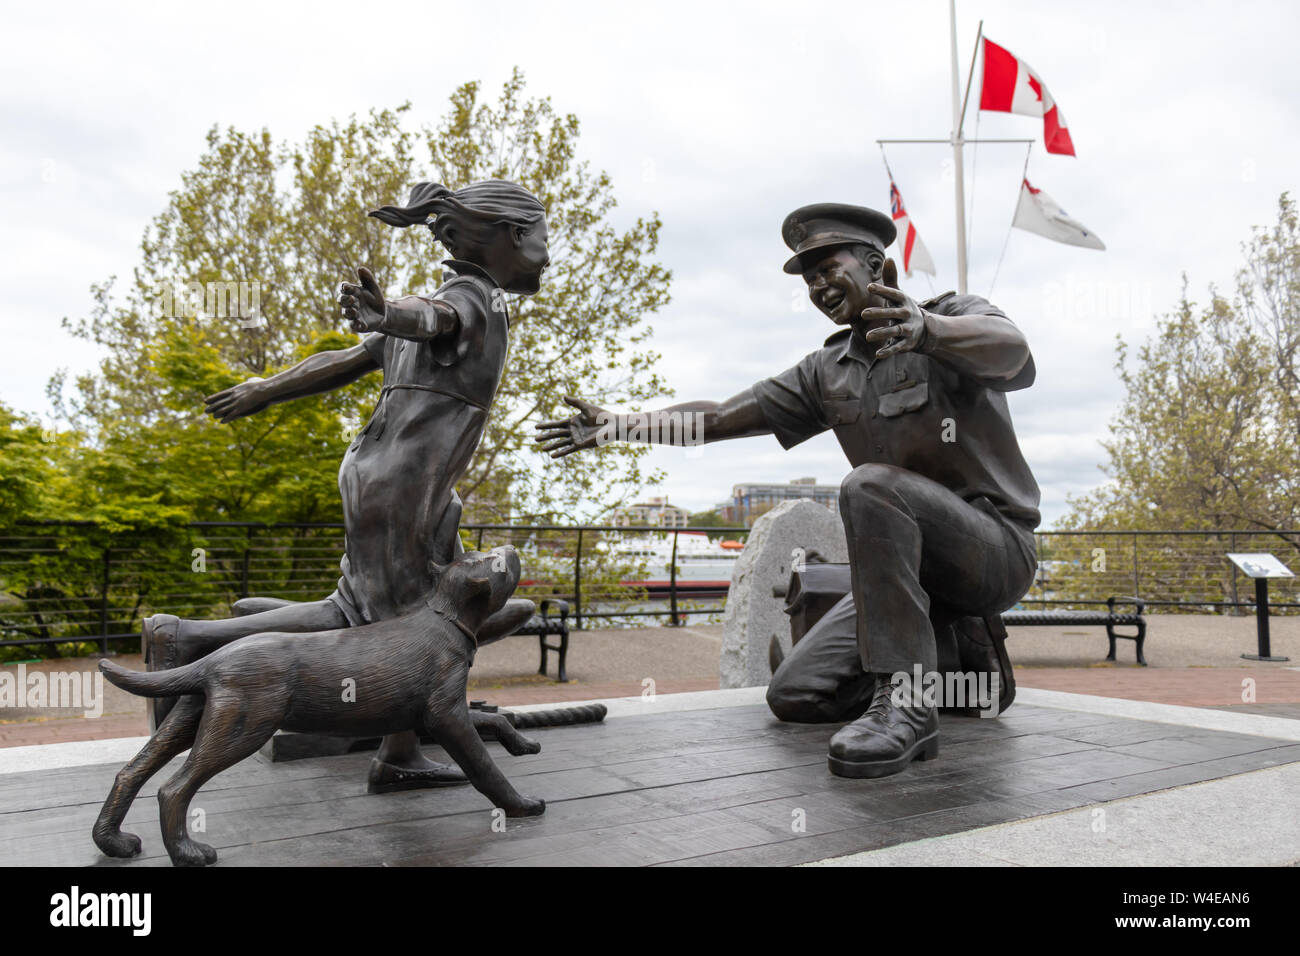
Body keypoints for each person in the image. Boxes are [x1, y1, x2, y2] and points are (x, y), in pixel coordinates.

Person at [534, 203, 1040, 779]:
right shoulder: (826, 370)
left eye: (830, 268)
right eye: (809, 278)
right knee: (796, 696)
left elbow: (1014, 354)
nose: (819, 285)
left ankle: (905, 706)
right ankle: (951, 659)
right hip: (912, 578)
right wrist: (622, 425)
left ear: (877, 266)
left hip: (994, 551)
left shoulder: (952, 315)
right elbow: (721, 417)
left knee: (870, 486)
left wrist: (930, 333)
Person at [143, 180, 550, 792]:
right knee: (371, 617)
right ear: (514, 236)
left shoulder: (458, 299)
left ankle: (399, 750)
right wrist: (389, 314)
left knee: (410, 612)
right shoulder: (473, 299)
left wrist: (265, 388)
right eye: (544, 237)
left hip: (403, 484)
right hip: (403, 486)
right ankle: (185, 640)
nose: (548, 252)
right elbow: (429, 316)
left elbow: (342, 359)